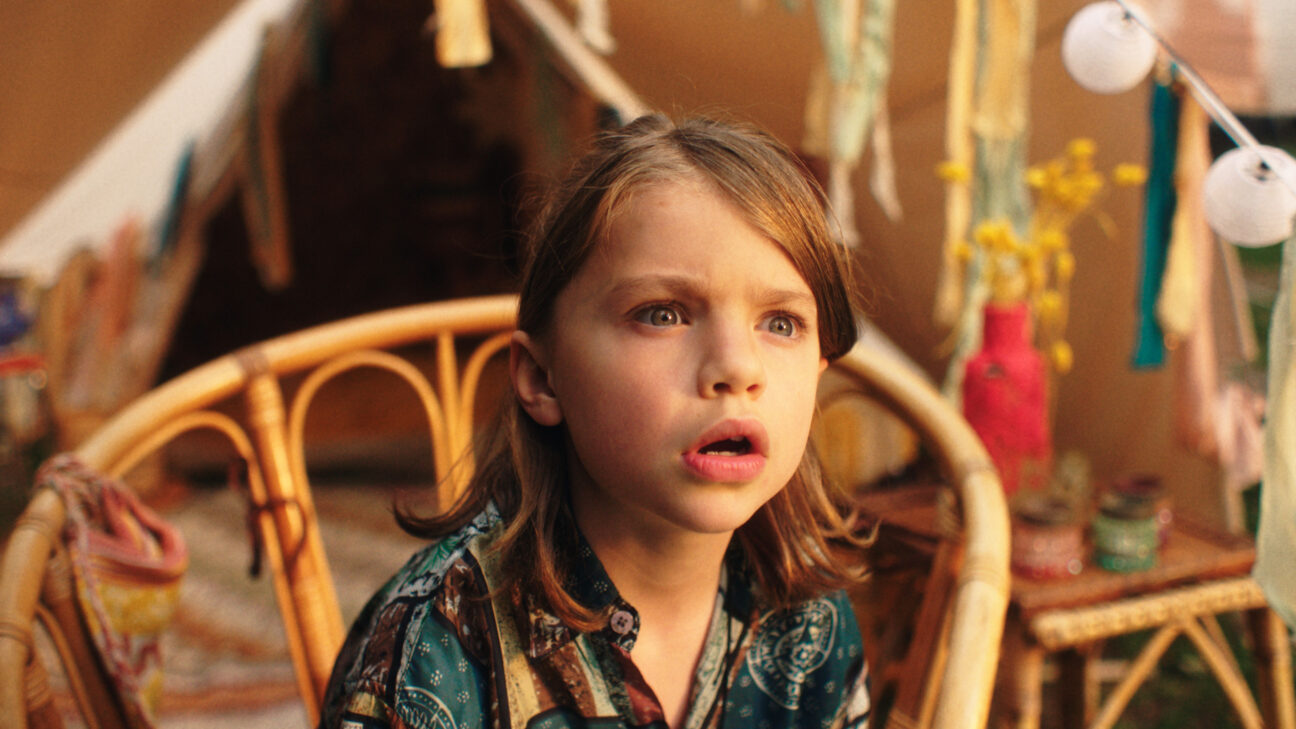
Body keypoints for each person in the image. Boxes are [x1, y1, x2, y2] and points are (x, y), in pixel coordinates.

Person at [318, 113, 873, 729]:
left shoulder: (810, 620)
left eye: (781, 323)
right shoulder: (437, 650)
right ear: (542, 378)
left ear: (817, 373)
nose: (738, 368)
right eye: (663, 314)